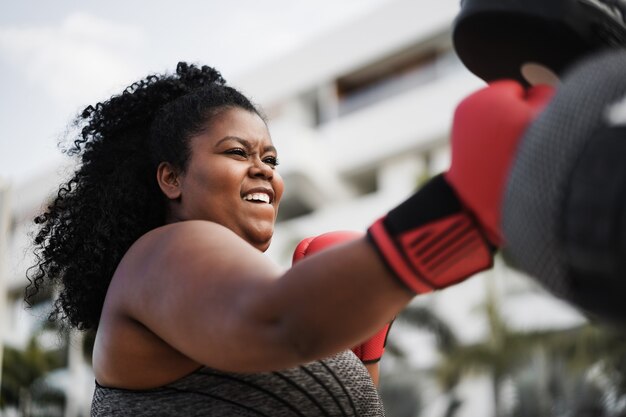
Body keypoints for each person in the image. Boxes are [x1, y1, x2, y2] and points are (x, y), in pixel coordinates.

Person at [26, 62, 553, 416]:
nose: (263, 171)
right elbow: (279, 321)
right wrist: (458, 209)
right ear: (172, 179)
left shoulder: (241, 295)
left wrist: (361, 355)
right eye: (237, 153)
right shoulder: (163, 251)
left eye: (271, 159)